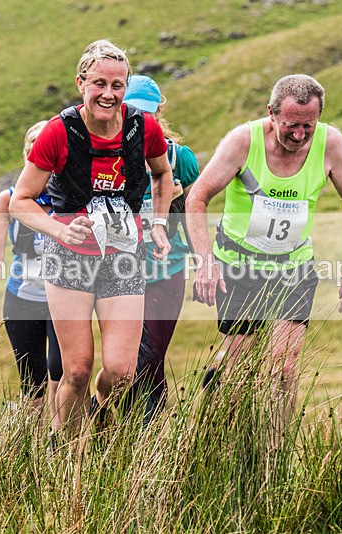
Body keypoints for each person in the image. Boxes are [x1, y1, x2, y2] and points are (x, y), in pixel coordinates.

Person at [186, 74, 342, 434]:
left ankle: (275, 450)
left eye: (308, 126)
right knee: (236, 365)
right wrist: (206, 263)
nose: (299, 135)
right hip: (240, 265)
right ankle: (209, 431)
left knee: (284, 368)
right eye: (291, 125)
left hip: (293, 266)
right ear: (271, 113)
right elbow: (197, 198)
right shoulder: (243, 141)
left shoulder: (331, 144)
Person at [9, 40, 173, 439]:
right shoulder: (57, 133)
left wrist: (158, 223)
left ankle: (98, 417)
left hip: (122, 255)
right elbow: (21, 202)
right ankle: (68, 455)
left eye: (118, 85)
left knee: (122, 373)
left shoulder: (142, 127)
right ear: (81, 83)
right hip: (69, 256)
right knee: (77, 370)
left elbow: (163, 175)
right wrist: (60, 229)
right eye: (99, 83)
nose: (108, 94)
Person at [122, 75, 200, 425]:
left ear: (159, 113)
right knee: (121, 361)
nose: (141, 120)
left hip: (166, 267)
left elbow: (195, 214)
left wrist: (178, 200)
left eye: (148, 113)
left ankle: (145, 438)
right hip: (115, 269)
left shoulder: (177, 156)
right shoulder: (100, 153)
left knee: (151, 355)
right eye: (135, 111)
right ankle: (108, 424)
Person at [0, 120, 63, 415]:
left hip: (63, 299)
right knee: (33, 387)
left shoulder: (69, 197)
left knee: (62, 374)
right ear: (28, 156)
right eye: (33, 150)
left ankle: (60, 444)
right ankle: (31, 451)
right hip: (21, 300)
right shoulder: (8, 199)